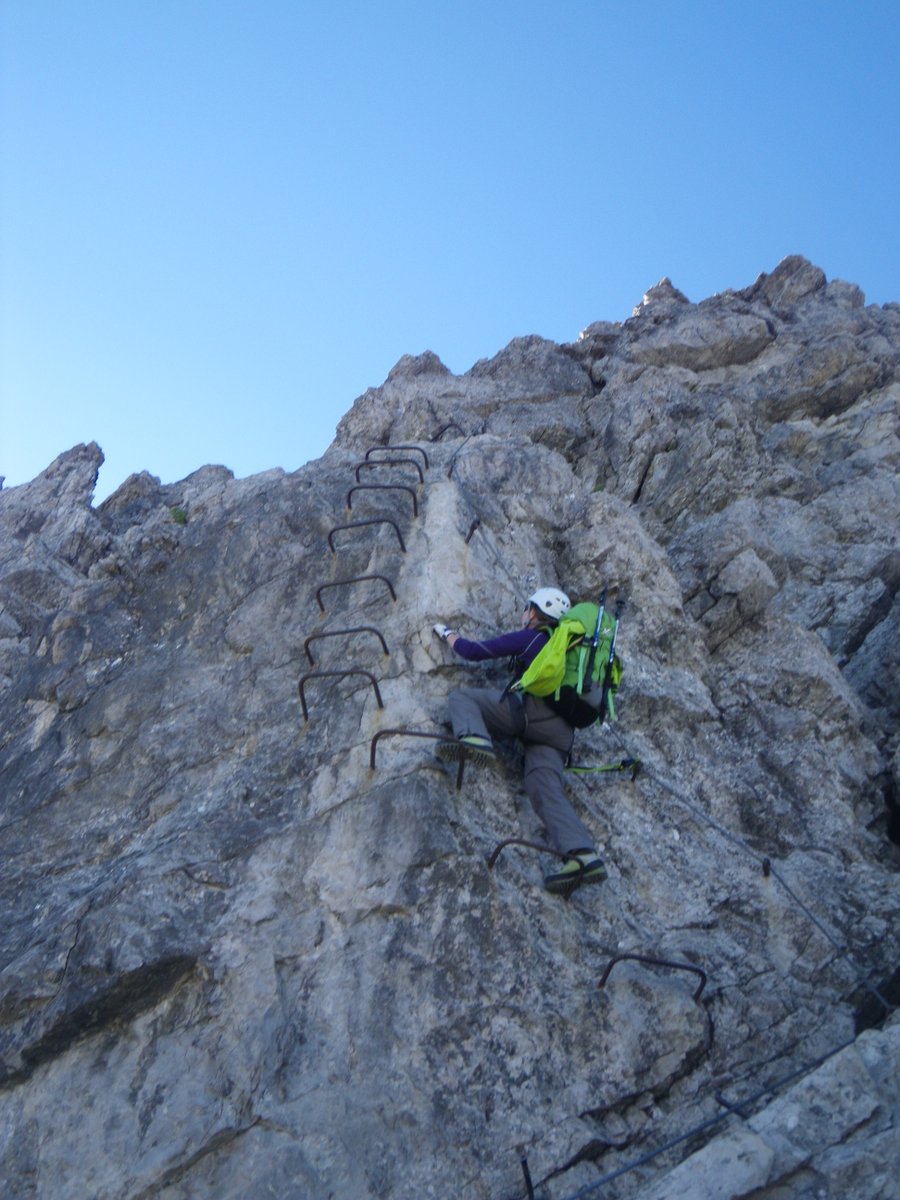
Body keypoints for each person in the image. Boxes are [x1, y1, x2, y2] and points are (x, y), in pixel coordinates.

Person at [432, 587, 606, 894]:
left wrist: (447, 633)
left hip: (528, 715)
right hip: (560, 736)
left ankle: (474, 738)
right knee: (544, 786)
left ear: (536, 612)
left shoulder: (536, 638)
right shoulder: (573, 650)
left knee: (462, 698)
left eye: (528, 608)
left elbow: (474, 651)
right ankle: (582, 854)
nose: (524, 613)